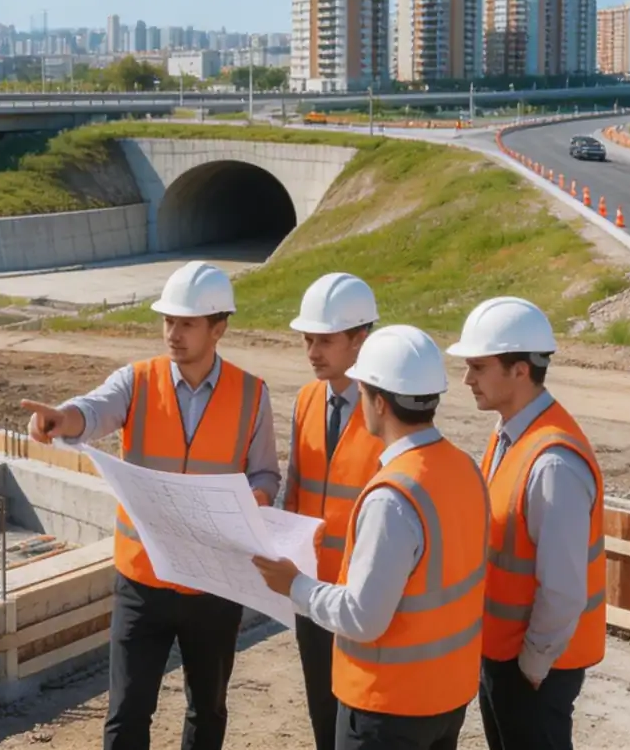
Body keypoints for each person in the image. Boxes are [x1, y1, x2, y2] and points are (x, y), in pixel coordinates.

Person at [20, 260, 280, 750]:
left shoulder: (252, 394)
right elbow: (92, 411)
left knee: (208, 712)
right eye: (167, 321)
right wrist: (63, 419)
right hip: (143, 584)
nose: (172, 334)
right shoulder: (137, 381)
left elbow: (265, 473)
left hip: (214, 586)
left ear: (218, 328)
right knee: (127, 714)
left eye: (186, 323)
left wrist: (252, 501)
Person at [253, 325, 490, 750]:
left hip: (388, 708)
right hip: (447, 699)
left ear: (379, 402)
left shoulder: (393, 497)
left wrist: (294, 586)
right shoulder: (465, 469)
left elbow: (363, 617)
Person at [449, 297, 606, 750]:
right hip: (503, 653)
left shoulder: (553, 463)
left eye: (478, 367)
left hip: (535, 669)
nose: (466, 379)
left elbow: (563, 588)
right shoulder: (507, 434)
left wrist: (533, 664)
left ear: (520, 370)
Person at [282, 272, 387, 750]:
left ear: (359, 340)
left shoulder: (388, 411)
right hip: (311, 591)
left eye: (324, 340)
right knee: (323, 717)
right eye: (308, 339)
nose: (312, 352)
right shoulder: (306, 400)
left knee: (361, 721)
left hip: (363, 595)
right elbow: (294, 487)